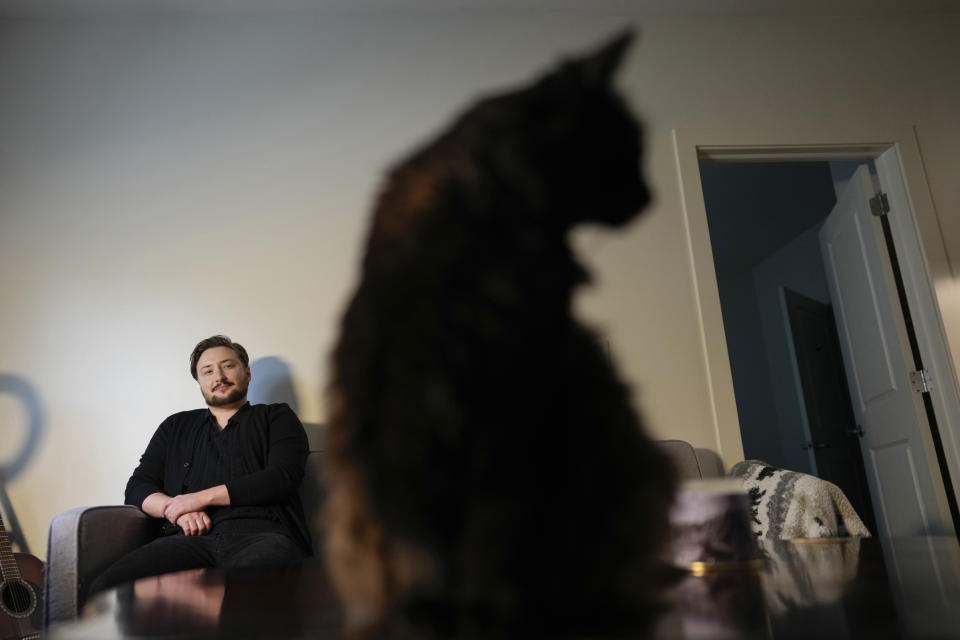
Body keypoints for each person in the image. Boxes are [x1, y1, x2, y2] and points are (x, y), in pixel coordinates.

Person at [89, 335, 312, 596]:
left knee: (249, 593)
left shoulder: (277, 417)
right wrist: (177, 510)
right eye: (207, 371)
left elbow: (283, 478)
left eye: (228, 366)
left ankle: (204, 607)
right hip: (183, 538)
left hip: (261, 535)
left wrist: (198, 499)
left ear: (247, 373)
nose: (218, 376)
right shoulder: (175, 426)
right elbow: (137, 487)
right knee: (106, 589)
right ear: (199, 383)